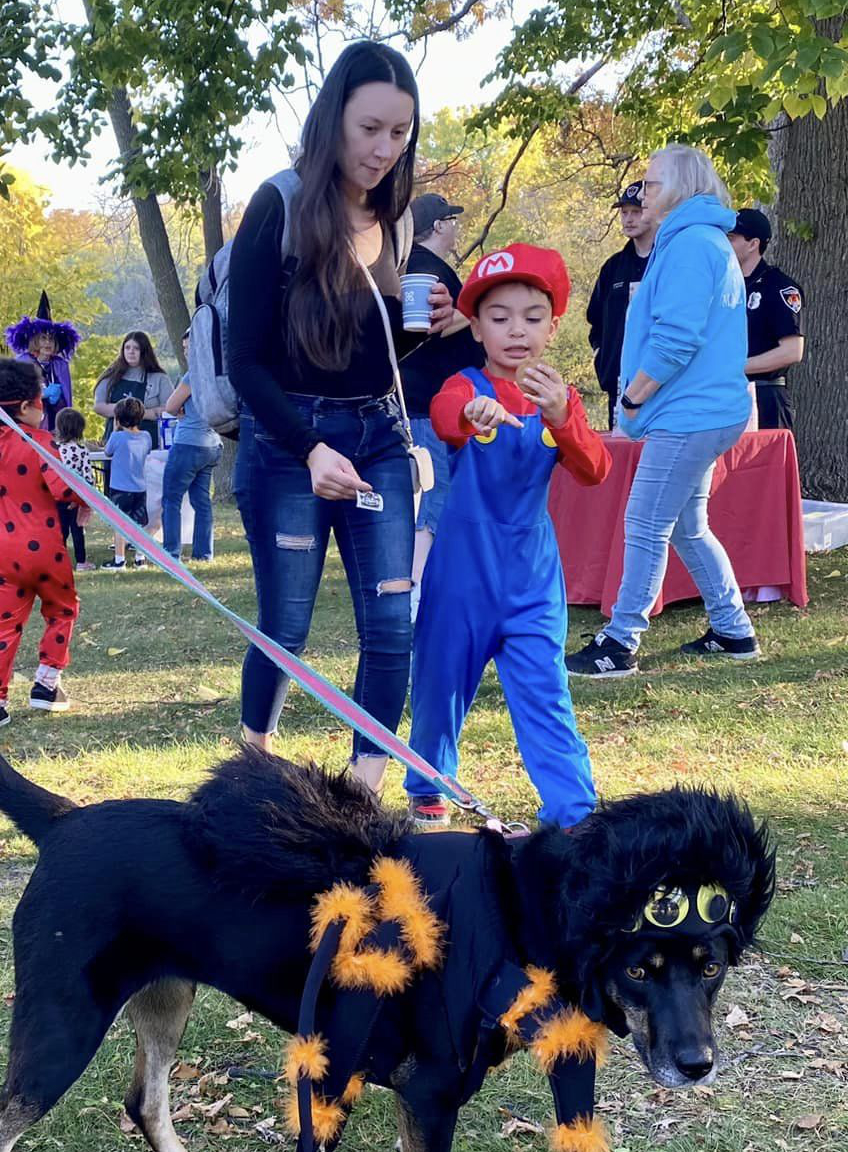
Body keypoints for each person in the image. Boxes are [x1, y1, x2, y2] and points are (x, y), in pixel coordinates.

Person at [228, 40, 453, 794]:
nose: (385, 149)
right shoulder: (279, 203)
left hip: (382, 437)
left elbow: (372, 343)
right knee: (287, 627)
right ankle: (250, 770)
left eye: (400, 133)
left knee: (391, 626)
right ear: (334, 120)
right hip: (291, 440)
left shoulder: (394, 219)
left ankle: (361, 797)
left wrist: (425, 323)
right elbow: (244, 362)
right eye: (370, 129)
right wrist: (309, 447)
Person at [408, 245, 609, 829]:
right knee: (439, 684)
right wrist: (473, 414)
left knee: (546, 695)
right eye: (499, 318)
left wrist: (561, 418)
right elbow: (446, 417)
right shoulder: (462, 383)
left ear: (552, 325)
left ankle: (573, 812)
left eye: (531, 317)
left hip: (531, 582)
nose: (516, 331)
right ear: (475, 326)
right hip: (461, 578)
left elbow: (595, 468)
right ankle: (427, 786)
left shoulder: (559, 396)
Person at [566, 144, 759, 678]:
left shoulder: (691, 244)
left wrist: (634, 397)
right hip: (703, 410)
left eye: (651, 183)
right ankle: (733, 629)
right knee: (686, 527)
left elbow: (676, 338)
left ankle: (619, 642)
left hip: (688, 413)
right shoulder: (701, 241)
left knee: (645, 522)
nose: (643, 191)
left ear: (679, 188)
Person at [0, 359, 82, 731]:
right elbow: (62, 487)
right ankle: (47, 683)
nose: (44, 408)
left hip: (1, 553)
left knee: (2, 624)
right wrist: (86, 497)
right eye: (41, 401)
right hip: (44, 546)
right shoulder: (41, 444)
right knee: (62, 610)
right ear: (24, 406)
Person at [400, 193, 485, 615]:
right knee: (433, 499)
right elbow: (427, 330)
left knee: (429, 497)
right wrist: (476, 311)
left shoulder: (406, 266)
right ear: (438, 226)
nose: (456, 228)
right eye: (453, 221)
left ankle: (426, 583)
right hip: (429, 406)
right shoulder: (426, 271)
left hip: (422, 405)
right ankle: (415, 593)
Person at [727, 208, 805, 431]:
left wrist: (735, 367)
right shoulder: (723, 287)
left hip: (765, 397)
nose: (724, 244)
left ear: (753, 244)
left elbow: (792, 351)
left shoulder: (778, 286)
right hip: (725, 396)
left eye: (731, 238)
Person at [587, 180, 655, 429]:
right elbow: (595, 320)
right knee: (622, 454)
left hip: (660, 380)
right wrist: (602, 356)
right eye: (624, 212)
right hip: (619, 382)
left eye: (636, 212)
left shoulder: (670, 261)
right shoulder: (613, 267)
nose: (628, 219)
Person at [162, 330, 223, 562]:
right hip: (211, 444)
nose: (186, 353)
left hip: (188, 443)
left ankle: (171, 553)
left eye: (189, 349)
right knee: (201, 502)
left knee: (171, 498)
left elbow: (169, 406)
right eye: (185, 349)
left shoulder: (192, 375)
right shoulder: (216, 372)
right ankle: (203, 554)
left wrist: (179, 408)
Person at [5, 291, 82, 432]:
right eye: (43, 338)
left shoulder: (60, 365)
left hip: (56, 427)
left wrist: (58, 400)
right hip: (30, 428)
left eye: (51, 339)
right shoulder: (23, 363)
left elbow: (66, 403)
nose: (48, 343)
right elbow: (15, 396)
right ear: (35, 340)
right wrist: (40, 394)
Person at [93, 331, 173, 447]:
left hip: (148, 443)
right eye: (127, 347)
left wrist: (142, 413)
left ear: (145, 351)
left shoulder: (160, 378)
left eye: (136, 348)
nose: (131, 351)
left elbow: (169, 410)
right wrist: (126, 411)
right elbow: (98, 406)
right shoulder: (110, 376)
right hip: (115, 442)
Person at [102, 396, 152, 570]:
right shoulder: (146, 436)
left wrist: (116, 430)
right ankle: (140, 558)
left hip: (120, 488)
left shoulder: (117, 437)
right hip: (140, 487)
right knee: (139, 523)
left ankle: (119, 559)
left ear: (118, 418)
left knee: (120, 524)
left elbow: (108, 452)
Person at [54, 407, 96, 571]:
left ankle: (60, 562)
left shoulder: (53, 449)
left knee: (60, 531)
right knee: (78, 529)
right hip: (75, 497)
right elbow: (88, 476)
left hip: (57, 495)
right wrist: (85, 498)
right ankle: (81, 561)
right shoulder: (82, 450)